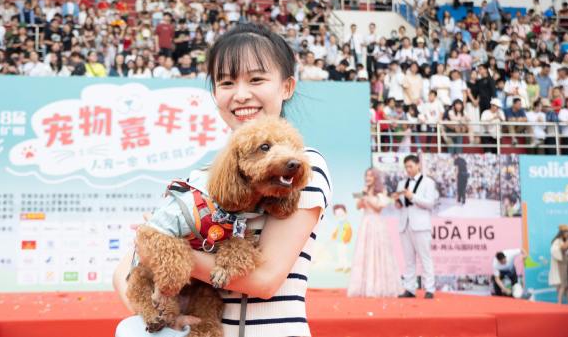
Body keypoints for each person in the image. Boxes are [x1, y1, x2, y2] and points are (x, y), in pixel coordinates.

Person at [113, 23, 332, 337]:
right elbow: (124, 271)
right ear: (215, 93)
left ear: (286, 87)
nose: (241, 95)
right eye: (226, 82)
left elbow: (265, 281)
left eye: (256, 79)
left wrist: (171, 253)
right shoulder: (200, 180)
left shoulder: (301, 167)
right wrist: (161, 317)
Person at [347, 168, 401, 297]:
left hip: (377, 224)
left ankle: (379, 286)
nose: (368, 178)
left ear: (375, 178)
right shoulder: (363, 191)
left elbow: (378, 208)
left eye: (370, 176)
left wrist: (367, 197)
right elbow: (358, 206)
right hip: (365, 223)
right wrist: (363, 195)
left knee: (378, 253)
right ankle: (364, 287)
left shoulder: (382, 191)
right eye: (366, 176)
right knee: (365, 253)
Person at [392, 154, 438, 298]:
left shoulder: (428, 182)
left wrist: (412, 196)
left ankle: (429, 289)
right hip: (405, 224)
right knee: (408, 259)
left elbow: (430, 203)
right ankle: (410, 288)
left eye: (410, 166)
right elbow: (401, 205)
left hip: (421, 225)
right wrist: (397, 201)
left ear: (418, 165)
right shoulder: (401, 183)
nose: (408, 169)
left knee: (425, 258)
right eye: (406, 167)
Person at [549, 225, 568, 304]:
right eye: (566, 232)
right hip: (561, 265)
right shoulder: (557, 241)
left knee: (564, 286)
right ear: (562, 233)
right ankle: (559, 303)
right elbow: (555, 250)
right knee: (562, 285)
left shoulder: (562, 241)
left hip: (565, 265)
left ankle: (559, 303)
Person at [331, 204, 352, 273]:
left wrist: (347, 239)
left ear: (345, 213)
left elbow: (349, 231)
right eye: (338, 215)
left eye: (341, 214)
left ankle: (347, 266)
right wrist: (334, 235)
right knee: (340, 254)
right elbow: (337, 231)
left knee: (344, 254)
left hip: (344, 242)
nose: (340, 216)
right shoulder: (339, 223)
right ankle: (341, 266)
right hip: (339, 241)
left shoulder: (346, 223)